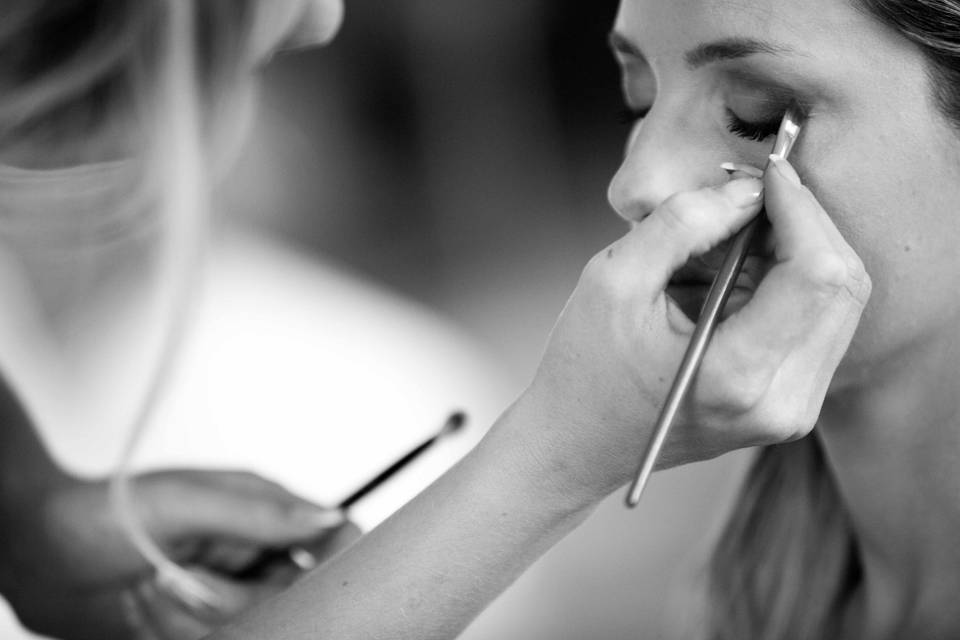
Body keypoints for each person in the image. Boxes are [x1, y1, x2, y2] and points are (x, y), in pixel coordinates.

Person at [0, 2, 954, 640]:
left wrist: (25, 514)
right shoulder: (741, 603)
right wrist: (552, 456)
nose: (636, 184)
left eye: (756, 114)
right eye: (638, 98)